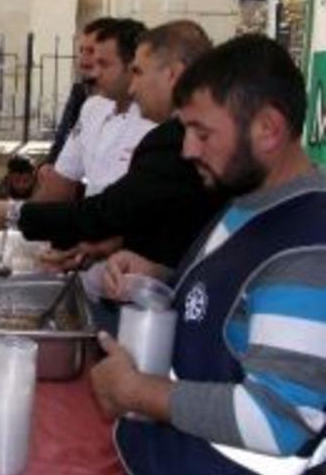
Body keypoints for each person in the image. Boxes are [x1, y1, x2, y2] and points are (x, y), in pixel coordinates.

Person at [91, 35, 326, 474]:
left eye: (202, 133)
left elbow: (278, 420)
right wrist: (158, 276)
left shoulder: (310, 247)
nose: (187, 150)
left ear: (268, 129)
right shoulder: (247, 200)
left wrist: (137, 392)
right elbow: (234, 304)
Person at [0, 21, 224, 272]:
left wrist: (13, 213)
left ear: (173, 74)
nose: (134, 87)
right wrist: (106, 247)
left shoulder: (169, 139)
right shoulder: (102, 111)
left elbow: (109, 211)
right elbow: (152, 215)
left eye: (138, 72)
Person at [36, 18, 155, 202]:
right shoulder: (92, 107)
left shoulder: (157, 119)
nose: (94, 72)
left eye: (104, 64)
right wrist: (18, 215)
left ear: (133, 65)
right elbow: (61, 180)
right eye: (82, 51)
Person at [43, 17, 117, 168]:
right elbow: (64, 136)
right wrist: (49, 165)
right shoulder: (80, 92)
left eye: (91, 51)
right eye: (81, 50)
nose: (83, 58)